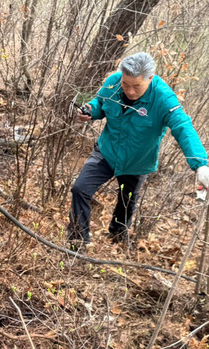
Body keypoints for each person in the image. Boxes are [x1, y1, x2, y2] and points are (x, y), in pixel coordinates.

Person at [69, 52, 209, 248]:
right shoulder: (113, 82)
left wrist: (200, 164)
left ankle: (118, 237)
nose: (130, 91)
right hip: (107, 152)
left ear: (150, 78)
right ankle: (77, 244)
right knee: (80, 189)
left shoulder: (163, 98)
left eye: (136, 86)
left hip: (137, 161)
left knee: (126, 203)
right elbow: (100, 103)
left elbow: (183, 127)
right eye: (126, 84)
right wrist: (91, 111)